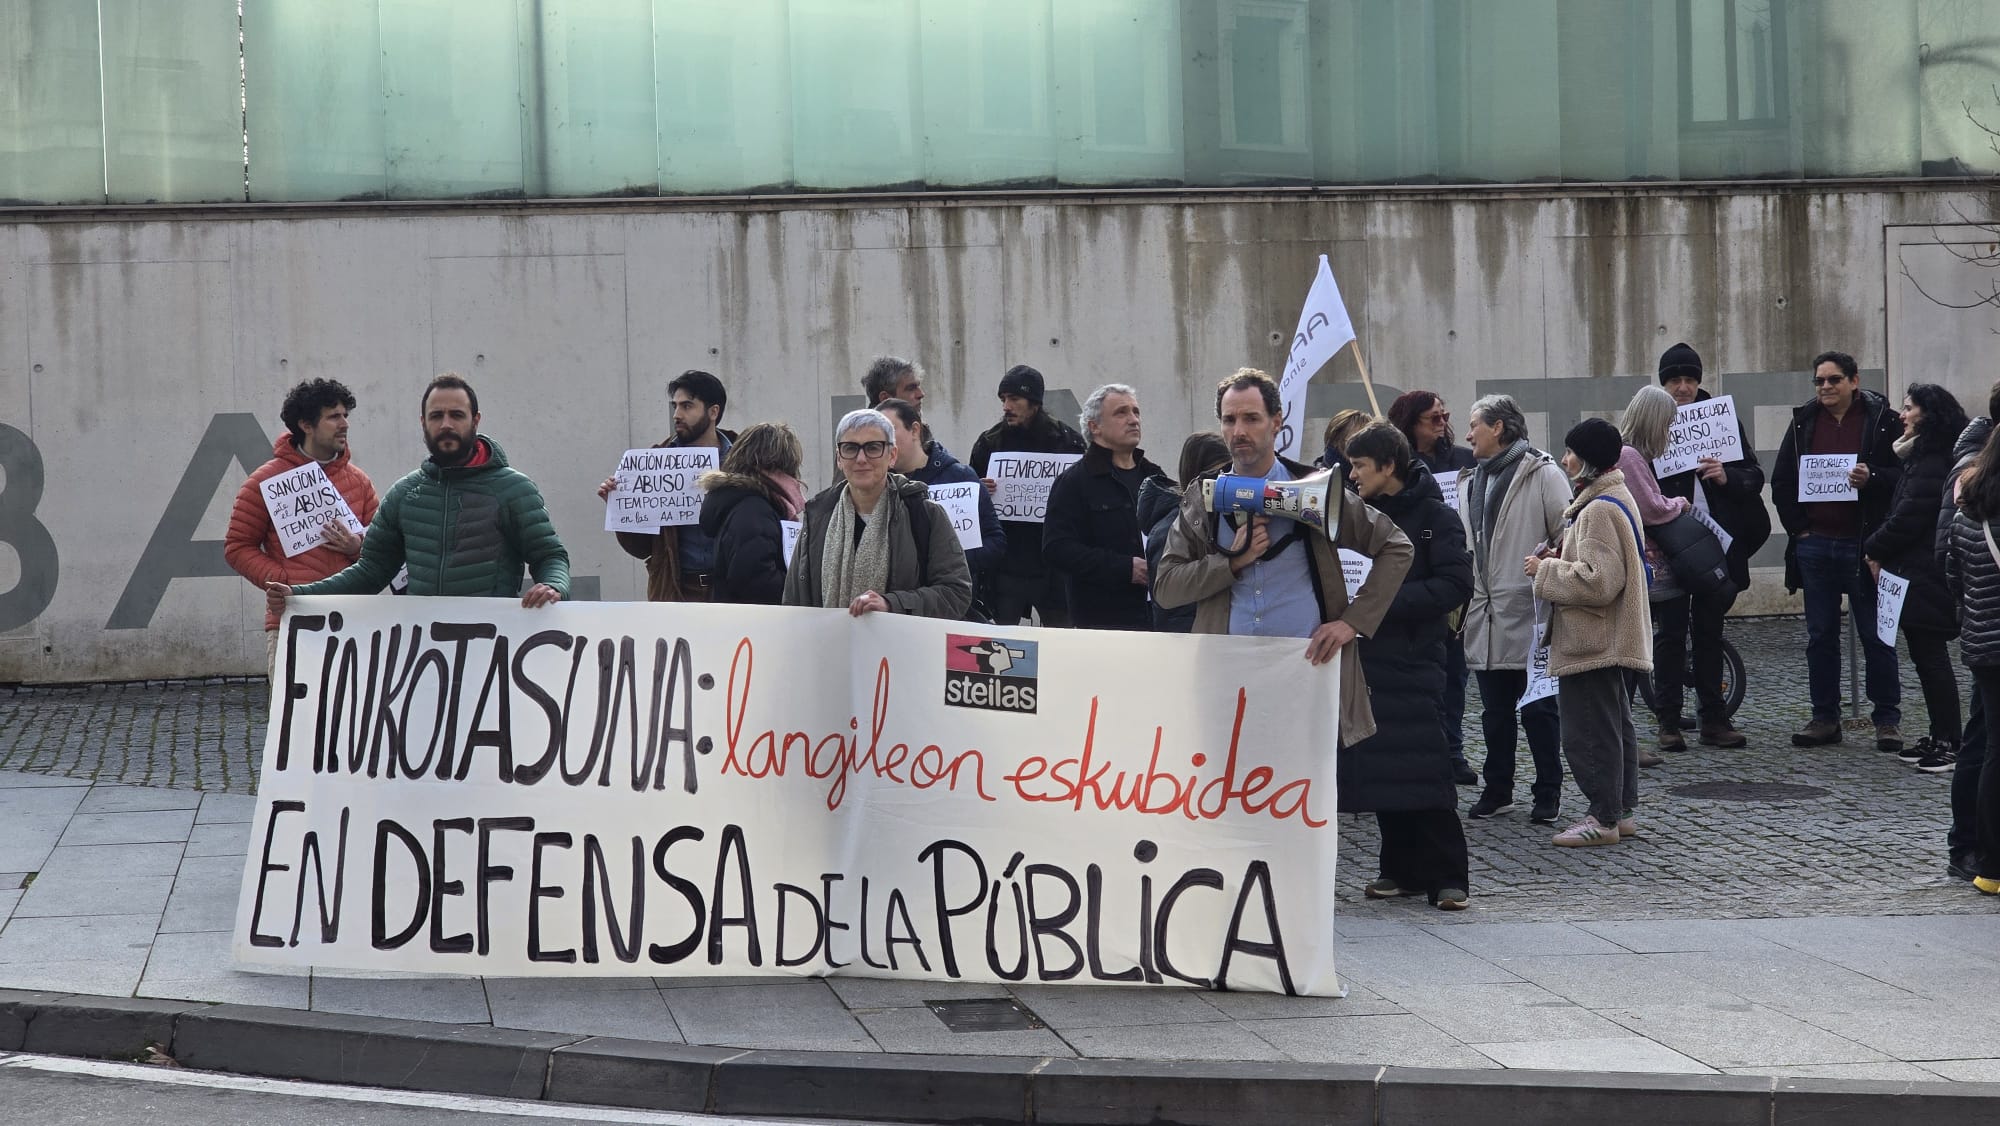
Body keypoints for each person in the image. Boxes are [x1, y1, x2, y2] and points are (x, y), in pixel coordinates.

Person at [1154, 368, 1413, 747]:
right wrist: (1232, 563)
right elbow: (1166, 587)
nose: (1238, 431)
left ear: (1276, 422)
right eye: (1229, 420)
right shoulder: (1203, 498)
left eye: (1251, 418)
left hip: (1304, 672)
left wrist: (1352, 622)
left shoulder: (1316, 490)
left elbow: (1396, 546)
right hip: (1228, 677)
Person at [265, 374, 568, 618]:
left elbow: (550, 556)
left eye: (456, 415)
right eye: (436, 416)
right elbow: (371, 571)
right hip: (424, 651)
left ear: (475, 421)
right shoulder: (404, 494)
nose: (446, 424)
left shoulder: (515, 489)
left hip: (493, 646)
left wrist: (553, 585)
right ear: (423, 422)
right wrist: (298, 596)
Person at [1342, 423, 1476, 909]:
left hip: (1416, 657)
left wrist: (1380, 602)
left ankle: (1448, 877)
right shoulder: (1359, 515)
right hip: (1369, 657)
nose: (1352, 475)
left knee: (1424, 764)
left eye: (1359, 465)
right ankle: (1399, 869)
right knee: (1384, 765)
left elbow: (1455, 585)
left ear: (1388, 466)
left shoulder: (1436, 517)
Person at [1527, 419, 1653, 847]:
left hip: (1593, 640)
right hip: (1607, 636)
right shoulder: (1611, 496)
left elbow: (1600, 582)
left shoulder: (1598, 508)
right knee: (1614, 726)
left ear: (1588, 459)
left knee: (1588, 732)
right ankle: (1621, 811)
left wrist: (1545, 569)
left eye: (1570, 453)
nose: (1564, 460)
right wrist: (1562, 557)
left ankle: (1603, 817)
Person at [1770, 351, 1905, 750]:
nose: (1825, 387)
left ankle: (1887, 720)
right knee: (1820, 636)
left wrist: (1873, 476)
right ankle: (1824, 717)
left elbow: (1906, 478)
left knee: (1876, 635)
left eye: (1833, 380)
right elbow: (1782, 480)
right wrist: (1800, 531)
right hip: (1816, 544)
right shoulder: (1804, 421)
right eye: (1820, 381)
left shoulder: (1884, 421)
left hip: (1865, 547)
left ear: (1853, 381)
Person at [1461, 394, 1572, 823]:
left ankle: (1548, 792)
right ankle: (1498, 790)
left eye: (1475, 425)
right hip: (1486, 614)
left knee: (1539, 710)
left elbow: (1569, 534)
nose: (1467, 435)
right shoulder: (1471, 480)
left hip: (1531, 614)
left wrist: (1549, 561)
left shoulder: (1542, 473)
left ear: (1498, 428)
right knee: (1494, 714)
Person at [1654, 343, 1769, 749]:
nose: (1683, 387)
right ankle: (1668, 722)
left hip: (1714, 549)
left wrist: (1726, 476)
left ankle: (1714, 720)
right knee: (1669, 635)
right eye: (1675, 380)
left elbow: (1754, 476)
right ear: (1664, 383)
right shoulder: (1653, 422)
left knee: (1709, 633)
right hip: (1669, 548)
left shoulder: (1721, 419)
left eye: (1689, 379)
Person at [226, 379, 381, 674]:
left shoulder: (360, 482)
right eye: (334, 417)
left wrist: (357, 547)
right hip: (291, 619)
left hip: (351, 621)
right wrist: (284, 580)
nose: (345, 424)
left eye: (345, 415)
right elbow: (237, 547)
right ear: (306, 425)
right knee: (293, 706)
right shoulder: (264, 482)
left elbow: (384, 548)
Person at [783, 409, 972, 619]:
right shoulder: (818, 516)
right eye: (850, 448)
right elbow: (793, 599)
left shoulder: (924, 513)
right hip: (829, 640)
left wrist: (891, 604)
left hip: (900, 640)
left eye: (873, 447)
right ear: (839, 458)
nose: (861, 458)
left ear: (892, 455)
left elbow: (956, 593)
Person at [1866, 384, 1969, 769]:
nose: (1902, 415)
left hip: (1926, 573)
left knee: (1932, 658)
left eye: (1909, 408)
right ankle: (1940, 734)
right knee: (1926, 657)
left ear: (1928, 415)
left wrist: (1873, 546)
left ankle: (1949, 740)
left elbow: (1909, 517)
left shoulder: (1931, 460)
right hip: (1917, 570)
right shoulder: (1921, 455)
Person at [1391, 389, 1481, 785]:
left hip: (1452, 570)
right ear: (1410, 424)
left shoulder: (1462, 460)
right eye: (1433, 418)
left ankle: (1453, 750)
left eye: (1445, 416)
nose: (1443, 424)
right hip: (1412, 574)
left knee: (1455, 673)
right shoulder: (1397, 465)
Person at [598, 369, 734, 603]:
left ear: (713, 412)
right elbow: (642, 549)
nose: (677, 415)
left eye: (687, 406)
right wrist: (619, 508)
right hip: (676, 592)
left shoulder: (745, 460)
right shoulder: (654, 463)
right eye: (675, 406)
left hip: (733, 591)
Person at [969, 365, 1088, 625]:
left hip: (1053, 566)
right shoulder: (989, 443)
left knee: (1061, 638)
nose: (1006, 407)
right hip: (1007, 565)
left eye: (1014, 399)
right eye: (1003, 399)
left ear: (1034, 402)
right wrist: (979, 491)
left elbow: (1084, 496)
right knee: (1002, 641)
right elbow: (970, 500)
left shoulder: (1068, 443)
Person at [1042, 384, 1164, 630]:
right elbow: (1057, 548)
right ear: (1094, 427)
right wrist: (1125, 568)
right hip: (1102, 622)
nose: (1133, 420)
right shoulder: (1074, 482)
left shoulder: (1154, 477)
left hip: (1157, 617)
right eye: (1121, 413)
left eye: (1136, 412)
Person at [1938, 386, 1998, 880]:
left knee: (1982, 742)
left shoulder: (1968, 506)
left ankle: (1970, 847)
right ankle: (1987, 856)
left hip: (1981, 643)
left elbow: (1953, 574)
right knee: (1991, 748)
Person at [1617, 384, 1694, 763]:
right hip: (1651, 571)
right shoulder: (1630, 456)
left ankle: (1636, 734)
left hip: (1648, 569)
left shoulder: (1629, 455)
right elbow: (1651, 509)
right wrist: (1680, 503)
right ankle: (1630, 738)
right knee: (1643, 652)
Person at [880, 397, 1006, 580]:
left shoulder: (960, 477)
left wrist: (949, 563)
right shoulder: (878, 485)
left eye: (889, 431)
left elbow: (995, 542)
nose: (882, 441)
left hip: (953, 592)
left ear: (915, 430)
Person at [696, 423, 807, 606]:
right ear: (779, 464)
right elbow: (757, 583)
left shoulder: (746, 503)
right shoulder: (755, 510)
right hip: (758, 620)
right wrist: (802, 586)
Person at [1140, 433, 1230, 633]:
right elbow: (1173, 610)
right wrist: (1231, 564)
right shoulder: (1171, 527)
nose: (1228, 483)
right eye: (1220, 475)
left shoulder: (1216, 516)